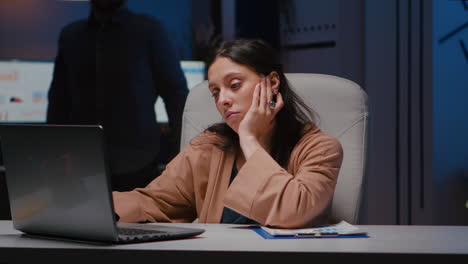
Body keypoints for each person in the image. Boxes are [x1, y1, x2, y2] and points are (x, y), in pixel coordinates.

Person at [113, 39, 343, 228]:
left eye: (234, 85)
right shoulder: (209, 147)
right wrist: (92, 205)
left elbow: (293, 211)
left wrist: (249, 139)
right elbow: (155, 201)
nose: (222, 100)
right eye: (215, 92)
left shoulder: (321, 149)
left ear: (273, 83)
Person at [46, 0, 189, 191]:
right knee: (82, 219)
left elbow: (175, 94)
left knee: (137, 218)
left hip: (138, 161)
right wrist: (54, 156)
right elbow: (58, 100)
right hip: (83, 163)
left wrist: (182, 152)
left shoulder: (148, 31)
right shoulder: (71, 35)